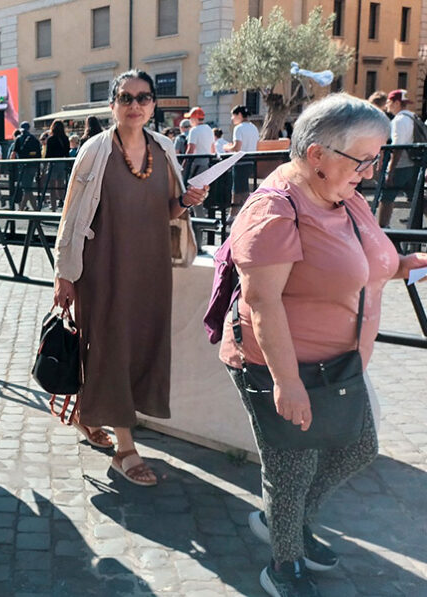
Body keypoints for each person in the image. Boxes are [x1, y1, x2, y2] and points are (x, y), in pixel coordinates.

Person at [218, 93, 427, 597]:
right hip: (283, 365)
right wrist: (286, 384)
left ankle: (285, 521)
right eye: (364, 159)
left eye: (377, 157)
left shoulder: (343, 194)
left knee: (358, 448)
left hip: (340, 364)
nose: (373, 171)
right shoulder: (274, 209)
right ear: (317, 155)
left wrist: (406, 264)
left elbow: (366, 262)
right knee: (291, 467)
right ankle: (284, 562)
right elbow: (262, 301)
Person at [53, 70, 206, 487]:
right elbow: (71, 215)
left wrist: (186, 202)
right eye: (126, 97)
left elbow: (167, 212)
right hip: (103, 269)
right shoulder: (95, 151)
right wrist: (64, 274)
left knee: (141, 348)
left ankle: (91, 415)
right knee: (111, 348)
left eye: (143, 97)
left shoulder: (164, 148)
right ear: (112, 104)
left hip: (152, 270)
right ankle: (125, 448)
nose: (135, 105)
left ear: (154, 104)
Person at [380, 89, 420, 228]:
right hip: (414, 164)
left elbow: (397, 148)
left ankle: (383, 228)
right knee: (416, 198)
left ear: (396, 102)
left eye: (389, 102)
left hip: (401, 166)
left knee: (386, 198)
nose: (387, 105)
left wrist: (390, 172)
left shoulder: (399, 120)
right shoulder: (413, 117)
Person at [224, 105, 261, 216]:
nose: (232, 118)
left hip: (240, 161)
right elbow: (257, 145)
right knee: (244, 189)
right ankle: (247, 211)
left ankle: (233, 214)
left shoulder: (239, 128)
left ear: (239, 115)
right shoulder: (254, 127)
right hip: (251, 161)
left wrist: (226, 148)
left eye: (233, 115)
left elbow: (237, 147)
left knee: (237, 190)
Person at [10, 121, 42, 210]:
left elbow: (13, 154)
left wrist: (10, 166)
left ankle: (22, 209)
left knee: (26, 188)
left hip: (23, 166)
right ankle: (34, 208)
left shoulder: (19, 138)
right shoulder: (34, 139)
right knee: (28, 188)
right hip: (34, 165)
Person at [44, 120, 71, 210]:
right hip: (62, 163)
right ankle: (64, 204)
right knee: (61, 185)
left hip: (53, 164)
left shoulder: (50, 139)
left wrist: (44, 167)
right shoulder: (66, 138)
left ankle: (53, 206)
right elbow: (67, 153)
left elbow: (47, 155)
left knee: (52, 187)